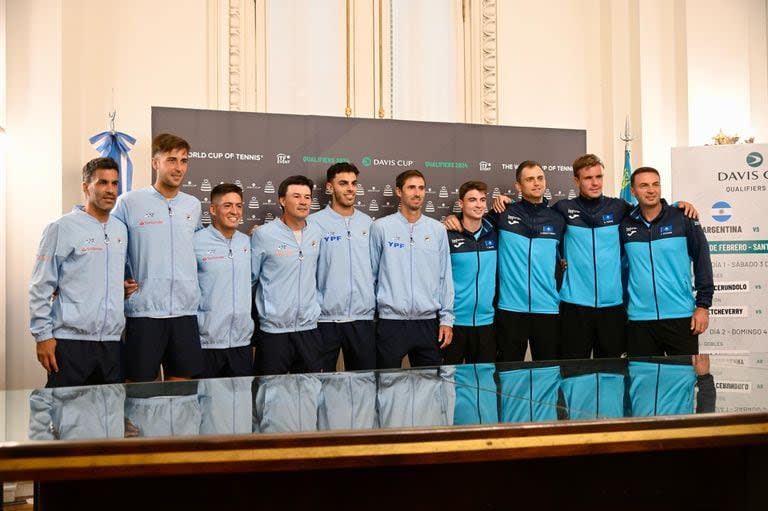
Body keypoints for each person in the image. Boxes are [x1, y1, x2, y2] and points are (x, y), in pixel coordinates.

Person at [492, 153, 698, 360]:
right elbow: (533, 215)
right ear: (576, 181)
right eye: (588, 178)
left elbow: (650, 210)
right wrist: (503, 202)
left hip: (612, 307)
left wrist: (677, 205)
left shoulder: (619, 208)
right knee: (573, 376)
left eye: (599, 177)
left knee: (611, 376)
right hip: (574, 307)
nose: (595, 183)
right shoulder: (562, 210)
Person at [112, 133, 203, 382]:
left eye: (184, 161)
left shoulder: (193, 205)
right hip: (145, 313)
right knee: (139, 394)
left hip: (184, 313)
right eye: (172, 160)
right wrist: (116, 283)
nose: (179, 167)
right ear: (155, 163)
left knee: (182, 394)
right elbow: (113, 247)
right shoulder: (129, 202)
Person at [29, 157, 127, 387]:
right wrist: (43, 336)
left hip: (111, 343)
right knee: (68, 417)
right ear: (86, 187)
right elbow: (40, 285)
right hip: (71, 342)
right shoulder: (61, 228)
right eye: (103, 183)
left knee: (107, 416)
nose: (110, 190)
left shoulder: (120, 229)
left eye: (114, 183)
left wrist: (122, 288)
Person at [620, 166, 713, 356]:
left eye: (655, 184)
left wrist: (703, 306)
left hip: (680, 317)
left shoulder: (683, 218)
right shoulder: (625, 224)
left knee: (682, 383)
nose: (651, 190)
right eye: (644, 185)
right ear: (633, 191)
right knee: (644, 384)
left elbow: (702, 260)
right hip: (639, 320)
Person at [370, 169, 454, 369]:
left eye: (421, 188)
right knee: (387, 387)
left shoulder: (437, 230)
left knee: (429, 388)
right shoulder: (381, 227)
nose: (417, 193)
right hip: (390, 323)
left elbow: (445, 277)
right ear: (399, 191)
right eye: (411, 188)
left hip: (428, 323)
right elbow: (371, 276)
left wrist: (447, 320)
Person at [491, 161, 565, 361]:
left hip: (548, 308)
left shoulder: (558, 219)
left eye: (540, 178)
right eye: (529, 179)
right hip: (510, 309)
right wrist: (452, 221)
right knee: (508, 374)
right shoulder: (503, 213)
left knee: (548, 375)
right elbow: (472, 223)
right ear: (518, 186)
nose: (536, 183)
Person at [250, 175, 323, 375]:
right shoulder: (264, 234)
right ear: (282, 200)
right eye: (297, 196)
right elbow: (251, 279)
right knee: (271, 394)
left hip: (309, 330)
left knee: (309, 395)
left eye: (307, 197)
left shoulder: (316, 233)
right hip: (274, 332)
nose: (303, 202)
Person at [308, 163, 376, 371]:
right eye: (343, 183)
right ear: (330, 187)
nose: (350, 189)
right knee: (321, 388)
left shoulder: (370, 224)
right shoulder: (312, 223)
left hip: (362, 320)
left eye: (354, 183)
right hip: (325, 320)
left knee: (364, 386)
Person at [194, 183, 254, 378]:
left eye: (238, 206)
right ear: (213, 209)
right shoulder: (196, 242)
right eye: (227, 205)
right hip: (207, 343)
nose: (234, 211)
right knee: (206, 405)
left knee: (240, 405)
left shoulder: (246, 242)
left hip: (241, 343)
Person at [444, 180, 498, 364]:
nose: (479, 204)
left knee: (483, 384)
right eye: (472, 199)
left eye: (482, 200)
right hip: (454, 324)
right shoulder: (447, 235)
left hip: (486, 324)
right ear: (461, 204)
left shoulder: (495, 232)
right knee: (451, 385)